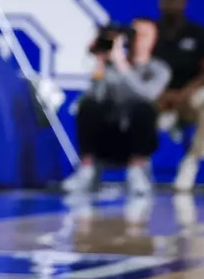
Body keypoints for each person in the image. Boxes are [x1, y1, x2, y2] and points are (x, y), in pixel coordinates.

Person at [63, 18, 168, 198]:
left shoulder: (159, 69)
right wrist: (100, 64)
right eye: (134, 34)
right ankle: (87, 169)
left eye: (144, 35)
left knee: (145, 109)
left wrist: (122, 65)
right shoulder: (110, 67)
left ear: (154, 39)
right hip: (109, 134)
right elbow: (96, 96)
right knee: (87, 105)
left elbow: (147, 95)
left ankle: (137, 171)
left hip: (137, 136)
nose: (138, 39)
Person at [152, 0, 204, 191]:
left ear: (184, 1)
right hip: (155, 98)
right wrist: (161, 96)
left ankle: (193, 160)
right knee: (133, 99)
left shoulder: (199, 34)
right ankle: (138, 165)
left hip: (188, 97)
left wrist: (183, 95)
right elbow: (139, 70)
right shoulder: (150, 32)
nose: (167, 2)